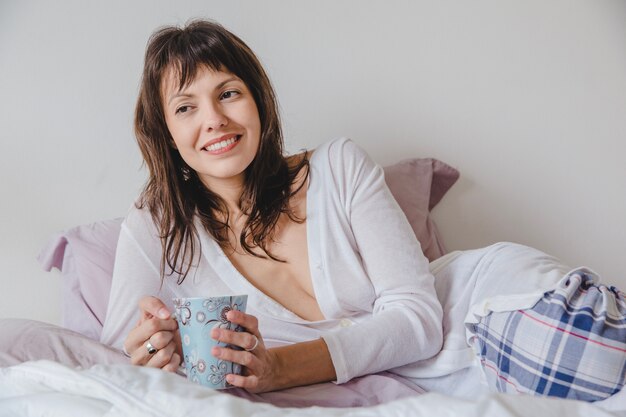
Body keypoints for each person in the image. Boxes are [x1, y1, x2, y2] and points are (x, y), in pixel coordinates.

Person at [100, 19, 625, 403]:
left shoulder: (338, 166)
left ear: (258, 102)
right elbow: (119, 347)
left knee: (599, 359)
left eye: (229, 93)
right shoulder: (157, 225)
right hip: (448, 385)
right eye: (186, 107)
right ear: (166, 133)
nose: (213, 119)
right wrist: (152, 351)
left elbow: (419, 321)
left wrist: (279, 368)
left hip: (481, 314)